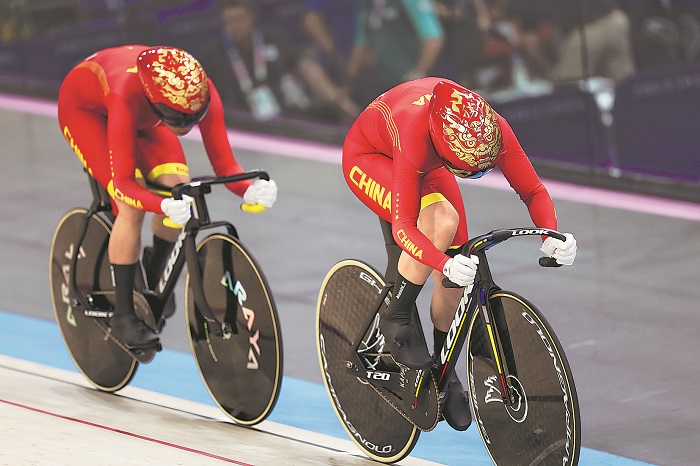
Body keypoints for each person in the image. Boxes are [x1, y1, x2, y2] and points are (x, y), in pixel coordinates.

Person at [341, 77, 577, 431]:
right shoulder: (415, 131)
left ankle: (443, 369)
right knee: (441, 221)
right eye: (468, 172)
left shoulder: (490, 128)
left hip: (429, 161)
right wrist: (442, 262)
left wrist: (551, 233)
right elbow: (404, 226)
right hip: (370, 156)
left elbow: (532, 190)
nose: (474, 176)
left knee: (460, 268)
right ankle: (397, 316)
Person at [57, 45, 278, 349]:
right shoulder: (125, 94)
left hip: (146, 116)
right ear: (157, 101)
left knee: (179, 187)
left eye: (194, 118)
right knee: (130, 208)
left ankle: (154, 272)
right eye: (178, 119)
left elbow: (224, 163)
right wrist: (160, 204)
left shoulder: (199, 92)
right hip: (86, 112)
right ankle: (123, 315)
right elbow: (123, 184)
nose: (186, 125)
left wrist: (248, 189)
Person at [199, 0, 359, 124]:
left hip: (284, 118)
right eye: (229, 21)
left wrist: (340, 102)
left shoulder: (273, 40)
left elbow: (307, 69)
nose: (235, 26)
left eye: (239, 19)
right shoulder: (211, 55)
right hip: (242, 126)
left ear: (251, 16)